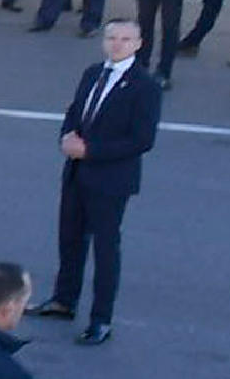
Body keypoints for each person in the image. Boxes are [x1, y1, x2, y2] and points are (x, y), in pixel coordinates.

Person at [36, 17, 160, 343]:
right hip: (77, 171)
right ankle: (64, 300)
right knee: (70, 238)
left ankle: (101, 319)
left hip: (110, 180)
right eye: (112, 38)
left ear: (138, 44)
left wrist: (89, 150)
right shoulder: (93, 73)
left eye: (125, 39)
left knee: (105, 249)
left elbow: (142, 140)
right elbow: (75, 111)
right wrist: (67, 136)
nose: (117, 44)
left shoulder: (145, 86)